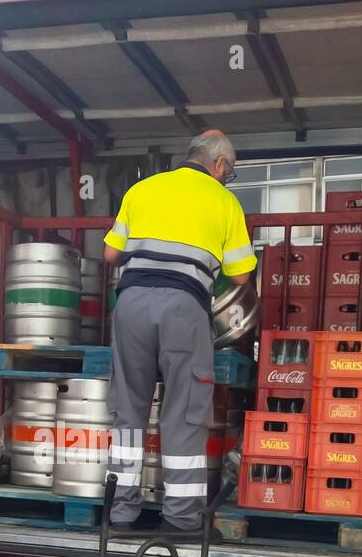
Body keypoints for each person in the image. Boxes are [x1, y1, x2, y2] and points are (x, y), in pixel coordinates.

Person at [101, 130, 256, 532]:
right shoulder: (224, 200)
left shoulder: (143, 189)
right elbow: (242, 275)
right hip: (183, 309)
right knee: (186, 413)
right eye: (230, 172)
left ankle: (119, 513)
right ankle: (181, 519)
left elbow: (109, 254)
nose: (227, 178)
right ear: (219, 164)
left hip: (130, 304)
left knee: (128, 409)